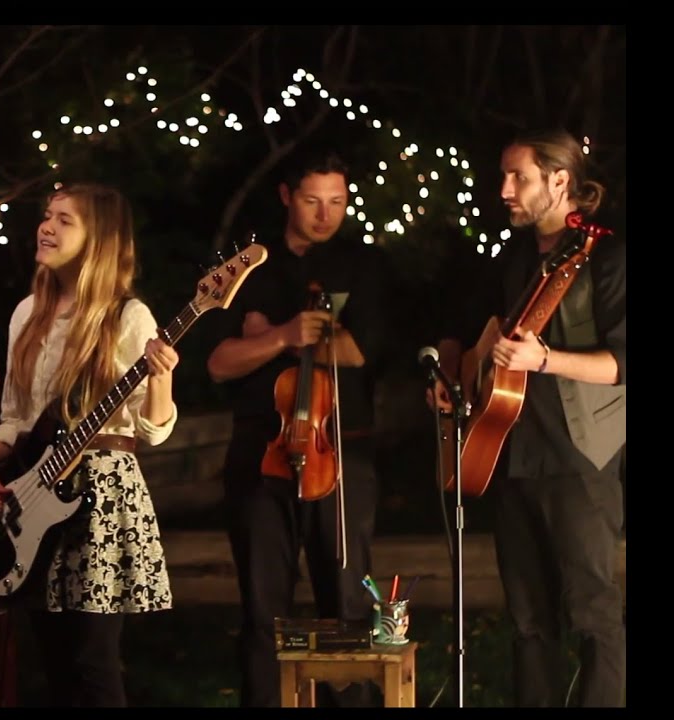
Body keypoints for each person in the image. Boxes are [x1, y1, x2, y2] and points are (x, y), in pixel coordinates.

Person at [431, 128, 626, 707]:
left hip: (579, 456)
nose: (504, 189)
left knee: (593, 612)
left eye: (519, 177)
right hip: (508, 450)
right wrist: (451, 375)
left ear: (560, 180)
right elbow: (469, 327)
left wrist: (545, 359)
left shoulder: (606, 255)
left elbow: (622, 363)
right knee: (528, 620)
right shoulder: (513, 257)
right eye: (504, 175)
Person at [0, 183, 180, 707]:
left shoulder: (128, 317)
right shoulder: (26, 313)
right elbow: (16, 415)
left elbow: (153, 431)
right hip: (35, 493)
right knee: (54, 662)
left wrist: (162, 379)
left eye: (65, 220)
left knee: (92, 659)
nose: (47, 227)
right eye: (48, 215)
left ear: (98, 239)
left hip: (102, 497)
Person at [205, 148, 392, 707]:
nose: (326, 214)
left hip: (341, 453)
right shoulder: (248, 266)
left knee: (348, 604)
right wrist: (284, 336)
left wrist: (269, 339)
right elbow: (218, 362)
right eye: (312, 200)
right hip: (261, 455)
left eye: (337, 201)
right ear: (287, 196)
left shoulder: (364, 265)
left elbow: (360, 352)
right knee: (263, 610)